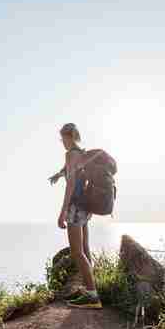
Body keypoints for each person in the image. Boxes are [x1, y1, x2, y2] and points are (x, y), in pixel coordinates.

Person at [56, 123, 102, 309]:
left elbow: (71, 183)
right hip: (86, 207)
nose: (63, 143)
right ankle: (89, 289)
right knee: (85, 248)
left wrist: (62, 211)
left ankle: (92, 296)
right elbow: (72, 173)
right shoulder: (82, 154)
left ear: (68, 137)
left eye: (62, 139)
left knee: (76, 251)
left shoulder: (70, 155)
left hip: (75, 206)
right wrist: (58, 174)